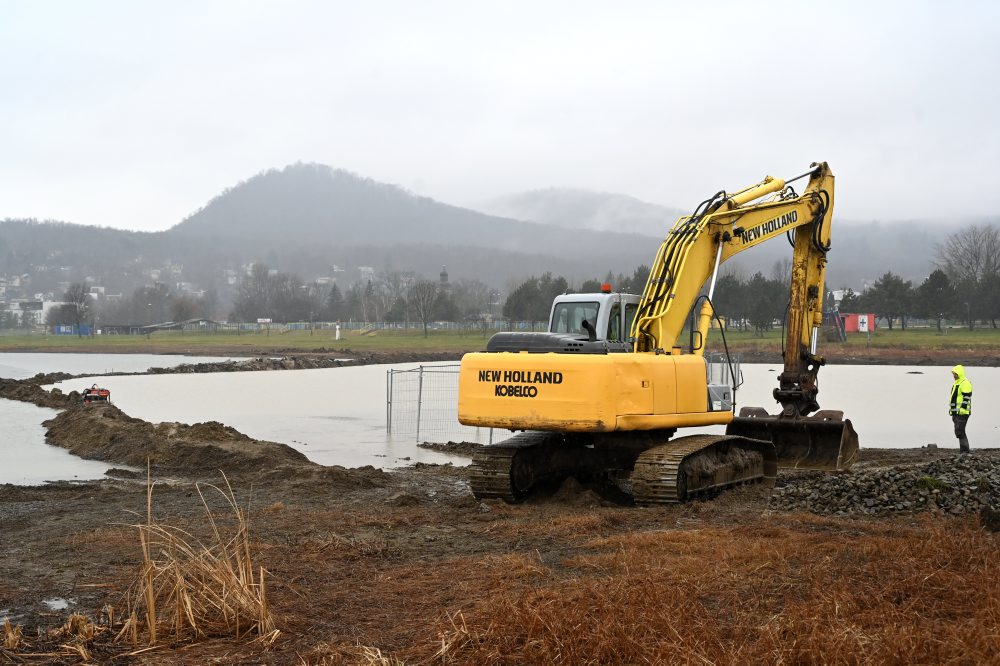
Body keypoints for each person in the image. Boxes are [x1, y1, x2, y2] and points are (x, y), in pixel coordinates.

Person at [949, 365, 973, 453]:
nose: (954, 376)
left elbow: (967, 396)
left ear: (959, 373)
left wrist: (963, 409)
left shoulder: (965, 382)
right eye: (953, 374)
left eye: (955, 374)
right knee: (958, 432)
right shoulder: (957, 383)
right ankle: (963, 451)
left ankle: (965, 451)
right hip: (956, 413)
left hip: (962, 412)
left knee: (960, 431)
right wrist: (952, 411)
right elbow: (954, 398)